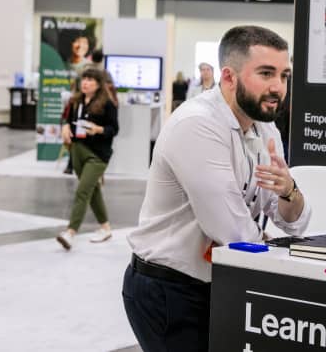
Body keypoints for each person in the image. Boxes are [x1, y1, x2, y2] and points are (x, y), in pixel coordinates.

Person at [123, 25, 311, 352]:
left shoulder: (264, 127)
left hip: (220, 284)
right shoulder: (197, 125)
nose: (277, 87)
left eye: (283, 75)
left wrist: (289, 191)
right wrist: (285, 257)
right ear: (228, 77)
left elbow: (292, 221)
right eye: (266, 73)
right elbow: (231, 229)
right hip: (169, 290)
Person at [56, 68, 119, 250]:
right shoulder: (75, 101)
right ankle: (105, 228)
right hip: (77, 151)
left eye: (90, 80)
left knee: (83, 191)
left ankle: (70, 232)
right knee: (93, 190)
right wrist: (65, 127)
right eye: (84, 79)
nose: (85, 82)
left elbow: (114, 129)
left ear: (98, 84)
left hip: (98, 154)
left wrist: (98, 129)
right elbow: (67, 120)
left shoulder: (108, 104)